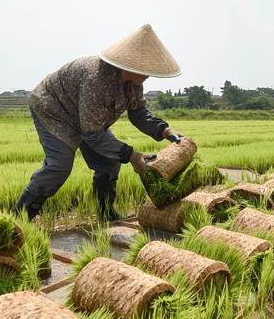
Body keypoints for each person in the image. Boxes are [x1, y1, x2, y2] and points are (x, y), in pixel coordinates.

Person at [14, 24, 184, 221]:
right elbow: (93, 134)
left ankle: (105, 212)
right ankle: (20, 218)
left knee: (110, 162)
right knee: (59, 166)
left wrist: (164, 130)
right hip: (54, 109)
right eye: (145, 69)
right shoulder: (97, 79)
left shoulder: (134, 83)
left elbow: (138, 113)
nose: (149, 74)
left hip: (87, 118)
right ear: (130, 66)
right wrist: (132, 156)